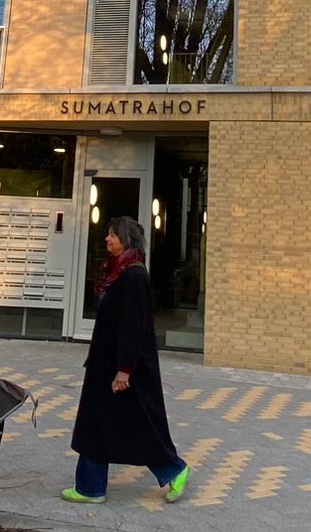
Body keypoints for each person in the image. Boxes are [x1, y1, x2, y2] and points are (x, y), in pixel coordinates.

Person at [62, 216, 190, 505]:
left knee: (134, 424)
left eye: (113, 235)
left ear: (127, 240)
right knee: (97, 423)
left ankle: (174, 469)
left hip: (121, 370)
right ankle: (90, 487)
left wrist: (124, 369)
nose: (107, 239)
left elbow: (134, 326)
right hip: (105, 365)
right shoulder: (119, 272)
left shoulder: (133, 276)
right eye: (108, 234)